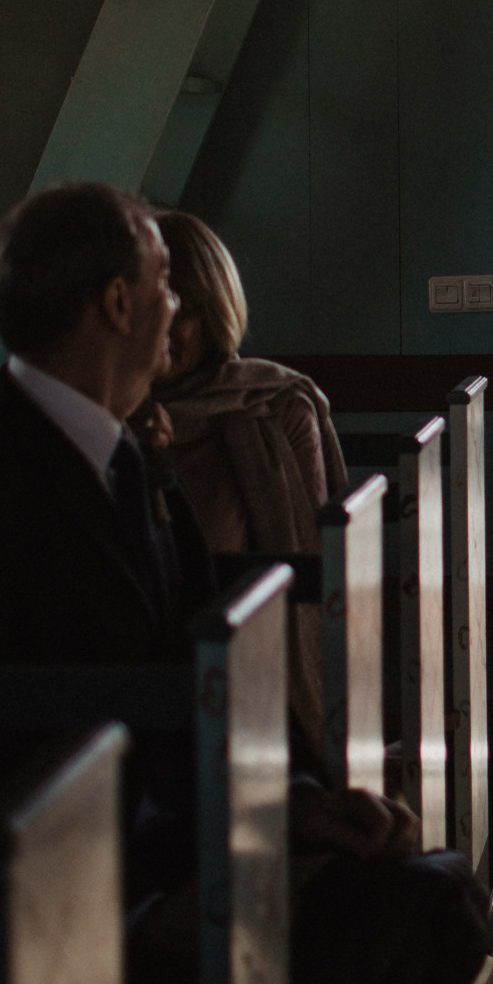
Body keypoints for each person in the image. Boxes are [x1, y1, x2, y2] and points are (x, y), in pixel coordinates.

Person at [0, 183, 488, 984]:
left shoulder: (123, 456)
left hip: (168, 842)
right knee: (418, 913)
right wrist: (141, 901)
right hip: (58, 903)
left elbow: (193, 657)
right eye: (164, 282)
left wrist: (302, 803)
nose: (176, 305)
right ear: (117, 302)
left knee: (431, 893)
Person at [144, 208, 346, 747]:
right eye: (151, 305)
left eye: (183, 308)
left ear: (213, 311)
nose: (165, 327)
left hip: (256, 668)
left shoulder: (273, 405)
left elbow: (312, 566)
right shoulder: (110, 414)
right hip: (143, 670)